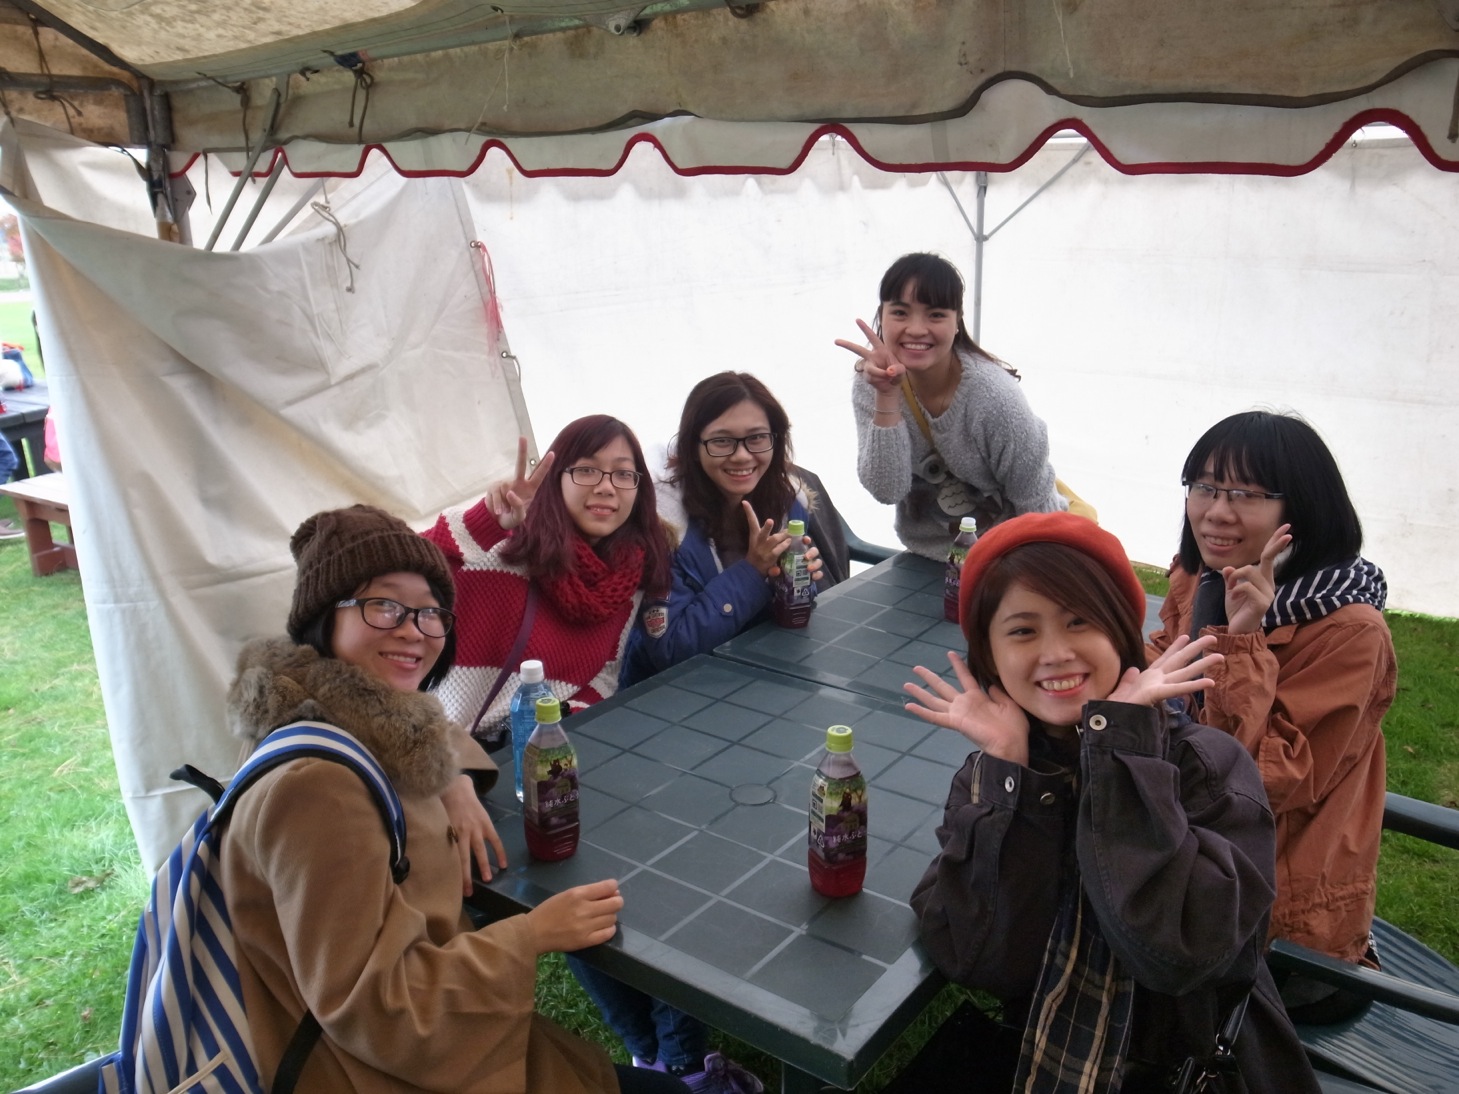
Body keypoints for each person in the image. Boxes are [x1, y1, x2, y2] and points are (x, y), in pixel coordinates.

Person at [221, 503, 690, 1092]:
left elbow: (432, 727)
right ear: (323, 616)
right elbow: (376, 1009)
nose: (412, 630)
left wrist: (452, 779)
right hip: (379, 1073)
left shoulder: (336, 712)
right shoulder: (317, 790)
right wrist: (532, 936)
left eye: (429, 611)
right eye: (384, 605)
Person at [897, 512, 1318, 1093]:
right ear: (989, 657)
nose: (1055, 652)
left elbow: (1176, 957)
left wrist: (1121, 753)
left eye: (1079, 621)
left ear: (1120, 634)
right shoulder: (995, 772)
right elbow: (978, 959)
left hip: (1183, 1070)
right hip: (1041, 1054)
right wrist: (1012, 773)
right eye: (1022, 631)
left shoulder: (1205, 767)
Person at [1148, 410, 1395, 1023]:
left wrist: (1240, 643)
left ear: (1301, 508)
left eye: (1246, 494)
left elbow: (1254, 783)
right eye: (1204, 487)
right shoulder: (1202, 578)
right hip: (1185, 859)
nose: (1216, 512)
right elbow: (1158, 668)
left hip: (1273, 929)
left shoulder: (1352, 633)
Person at [423, 414, 672, 746]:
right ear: (556, 478)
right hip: (449, 750)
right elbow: (400, 566)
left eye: (623, 474)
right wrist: (484, 521)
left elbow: (604, 675)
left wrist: (565, 717)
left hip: (542, 748)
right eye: (587, 470)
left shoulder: (628, 575)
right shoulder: (501, 549)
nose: (606, 487)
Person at [621, 370, 845, 687]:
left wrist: (795, 582)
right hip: (673, 693)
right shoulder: (663, 527)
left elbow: (792, 616)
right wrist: (753, 571)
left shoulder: (787, 504)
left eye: (756, 438)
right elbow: (671, 650)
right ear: (693, 446)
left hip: (765, 673)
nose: (742, 456)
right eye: (722, 441)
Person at [836, 252, 1065, 560]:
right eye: (900, 313)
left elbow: (1036, 503)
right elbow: (887, 490)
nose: (916, 329)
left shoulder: (995, 398)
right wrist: (887, 396)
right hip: (926, 558)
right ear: (882, 316)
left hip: (1009, 556)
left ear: (957, 321)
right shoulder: (872, 383)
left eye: (935, 315)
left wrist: (1034, 572)